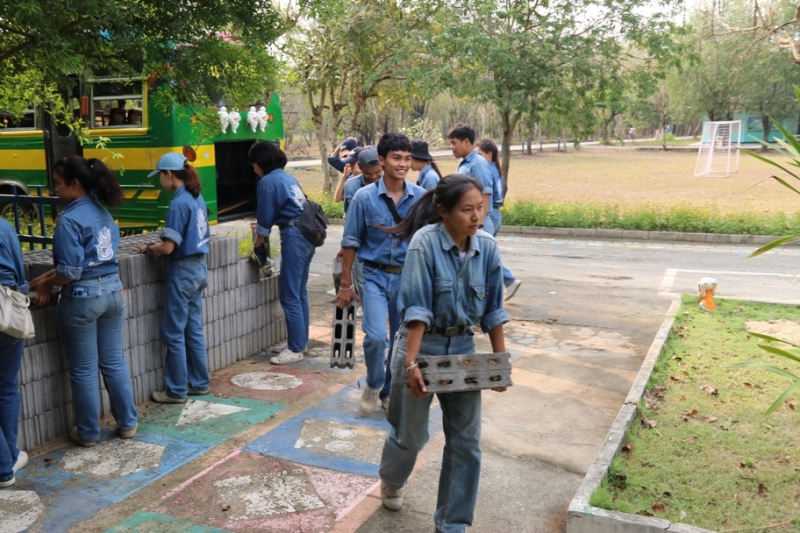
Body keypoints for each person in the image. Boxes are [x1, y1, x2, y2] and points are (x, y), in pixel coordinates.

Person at [377, 174, 509, 533]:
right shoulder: (424, 243)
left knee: (466, 442)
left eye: (480, 208)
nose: (476, 216)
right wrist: (411, 364)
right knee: (410, 437)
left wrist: (499, 365)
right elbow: (417, 310)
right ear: (444, 212)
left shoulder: (487, 247)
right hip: (422, 346)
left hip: (462, 347)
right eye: (466, 209)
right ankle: (391, 479)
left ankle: (452, 524)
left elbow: (494, 310)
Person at [30, 156, 137, 447]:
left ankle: (88, 433)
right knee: (114, 362)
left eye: (58, 183)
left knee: (84, 369)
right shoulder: (103, 212)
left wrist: (48, 282)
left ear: (74, 183)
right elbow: (92, 261)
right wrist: (48, 276)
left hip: (82, 299)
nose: (56, 189)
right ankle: (127, 423)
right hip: (113, 292)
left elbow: (70, 272)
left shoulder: (69, 220)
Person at [335, 133, 426, 415]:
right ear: (383, 161)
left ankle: (388, 391)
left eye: (407, 158)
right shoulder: (363, 198)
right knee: (375, 337)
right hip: (373, 276)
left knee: (400, 341)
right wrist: (346, 285)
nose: (403, 164)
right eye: (396, 158)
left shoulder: (420, 198)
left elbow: (428, 242)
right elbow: (351, 242)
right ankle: (374, 383)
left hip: (407, 278)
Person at [139, 153, 211, 404]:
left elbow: (168, 247)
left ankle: (176, 390)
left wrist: (150, 248)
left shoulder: (178, 203)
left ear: (169, 174)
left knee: (173, 332)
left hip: (182, 272)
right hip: (199, 268)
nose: (159, 181)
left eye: (159, 176)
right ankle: (200, 383)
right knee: (193, 329)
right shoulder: (196, 197)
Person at [250, 141, 316, 365]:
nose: (253, 168)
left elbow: (264, 219)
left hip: (293, 236)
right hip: (307, 234)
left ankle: (295, 348)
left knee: (289, 295)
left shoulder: (267, 182)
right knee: (299, 292)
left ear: (260, 162)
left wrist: (257, 245)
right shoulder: (287, 177)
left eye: (253, 164)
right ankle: (299, 342)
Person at [449, 124, 522, 301]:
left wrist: (479, 222)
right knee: (477, 260)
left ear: (466, 142)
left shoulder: (478, 164)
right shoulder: (466, 163)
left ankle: (505, 285)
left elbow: (485, 194)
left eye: (454, 143)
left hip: (479, 222)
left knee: (482, 259)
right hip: (471, 222)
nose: (451, 147)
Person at [0, 219, 29, 487]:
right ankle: (9, 458)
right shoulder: (5, 227)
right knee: (7, 387)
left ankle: (3, 468)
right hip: (10, 314)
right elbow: (20, 277)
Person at [476, 139, 521, 300]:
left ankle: (509, 280)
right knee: (484, 255)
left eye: (479, 154)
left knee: (484, 255)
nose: (477, 157)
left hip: (489, 214)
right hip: (496, 214)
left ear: (489, 154)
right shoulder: (496, 170)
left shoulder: (486, 170)